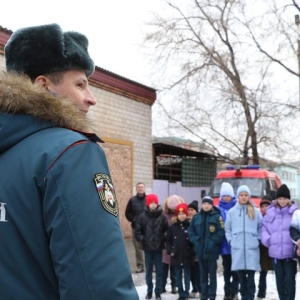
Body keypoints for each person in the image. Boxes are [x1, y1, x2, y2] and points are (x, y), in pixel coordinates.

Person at [0, 23, 138, 299]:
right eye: (80, 84)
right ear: (43, 85)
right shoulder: (71, 152)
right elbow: (97, 284)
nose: (92, 99)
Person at [225, 185, 262, 300]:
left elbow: (261, 227)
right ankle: (243, 296)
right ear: (238, 197)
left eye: (246, 195)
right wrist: (231, 240)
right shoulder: (232, 212)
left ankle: (249, 297)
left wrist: (258, 239)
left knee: (251, 278)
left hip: (252, 248)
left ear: (249, 196)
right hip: (238, 249)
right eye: (242, 195)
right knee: (241, 278)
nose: (244, 197)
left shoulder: (255, 211)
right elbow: (228, 229)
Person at [261, 184, 298, 300]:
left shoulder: (294, 213)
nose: (282, 201)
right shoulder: (270, 212)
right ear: (277, 199)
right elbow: (264, 228)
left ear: (288, 199)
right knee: (280, 280)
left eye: (285, 199)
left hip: (290, 253)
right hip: (275, 253)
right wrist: (269, 240)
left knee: (290, 280)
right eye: (280, 199)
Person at [188, 196, 225, 300]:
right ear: (202, 205)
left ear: (212, 205)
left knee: (212, 276)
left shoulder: (217, 217)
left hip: (212, 252)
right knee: (202, 276)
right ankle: (203, 295)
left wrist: (213, 242)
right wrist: (196, 241)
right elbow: (191, 231)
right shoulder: (196, 217)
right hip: (200, 251)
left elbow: (221, 231)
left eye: (208, 204)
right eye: (204, 204)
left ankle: (212, 295)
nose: (206, 206)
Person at [135, 193, 169, 300]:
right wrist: (143, 240)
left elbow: (167, 230)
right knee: (148, 271)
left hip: (159, 248)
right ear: (148, 204)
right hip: (148, 248)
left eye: (155, 203)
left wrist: (163, 238)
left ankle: (158, 291)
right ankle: (149, 291)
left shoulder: (162, 216)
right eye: (151, 203)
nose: (153, 205)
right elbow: (138, 231)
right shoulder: (142, 217)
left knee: (159, 270)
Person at [167, 203, 195, 300]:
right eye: (179, 214)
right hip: (176, 256)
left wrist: (191, 251)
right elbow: (169, 241)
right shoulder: (173, 228)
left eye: (183, 214)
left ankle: (186, 292)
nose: (181, 216)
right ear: (177, 215)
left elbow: (193, 241)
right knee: (177, 275)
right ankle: (180, 293)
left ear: (186, 215)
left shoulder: (190, 226)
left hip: (187, 255)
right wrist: (171, 251)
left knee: (187, 275)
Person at [217, 182, 239, 300]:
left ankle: (234, 291)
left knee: (236, 271)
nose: (226, 197)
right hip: (224, 246)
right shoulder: (217, 209)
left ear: (232, 196)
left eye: (228, 195)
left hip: (236, 245)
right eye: (224, 195)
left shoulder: (236, 208)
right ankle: (226, 292)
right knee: (226, 271)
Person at [161, 194, 185, 294]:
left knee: (174, 267)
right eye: (171, 210)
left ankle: (174, 286)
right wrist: (167, 236)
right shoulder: (163, 215)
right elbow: (161, 228)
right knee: (164, 267)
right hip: (166, 243)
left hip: (177, 244)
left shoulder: (181, 213)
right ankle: (162, 285)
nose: (173, 212)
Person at [125, 182, 146, 273]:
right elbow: (127, 213)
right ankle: (140, 266)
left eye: (142, 187)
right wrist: (133, 220)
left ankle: (152, 267)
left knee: (151, 247)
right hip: (136, 228)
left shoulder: (149, 199)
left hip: (148, 228)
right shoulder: (132, 200)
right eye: (139, 187)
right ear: (136, 189)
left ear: (144, 188)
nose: (140, 188)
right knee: (138, 248)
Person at [256, 195, 273, 300]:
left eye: (267, 205)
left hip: (272, 247)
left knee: (278, 272)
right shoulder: (259, 218)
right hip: (261, 248)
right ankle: (261, 293)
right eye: (263, 206)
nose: (265, 208)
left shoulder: (274, 217)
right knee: (263, 271)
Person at [188, 200, 201, 299]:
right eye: (188, 210)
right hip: (188, 251)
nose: (190, 211)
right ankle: (194, 288)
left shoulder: (198, 221)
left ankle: (200, 289)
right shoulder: (185, 221)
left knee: (198, 271)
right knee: (191, 272)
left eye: (192, 210)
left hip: (197, 250)